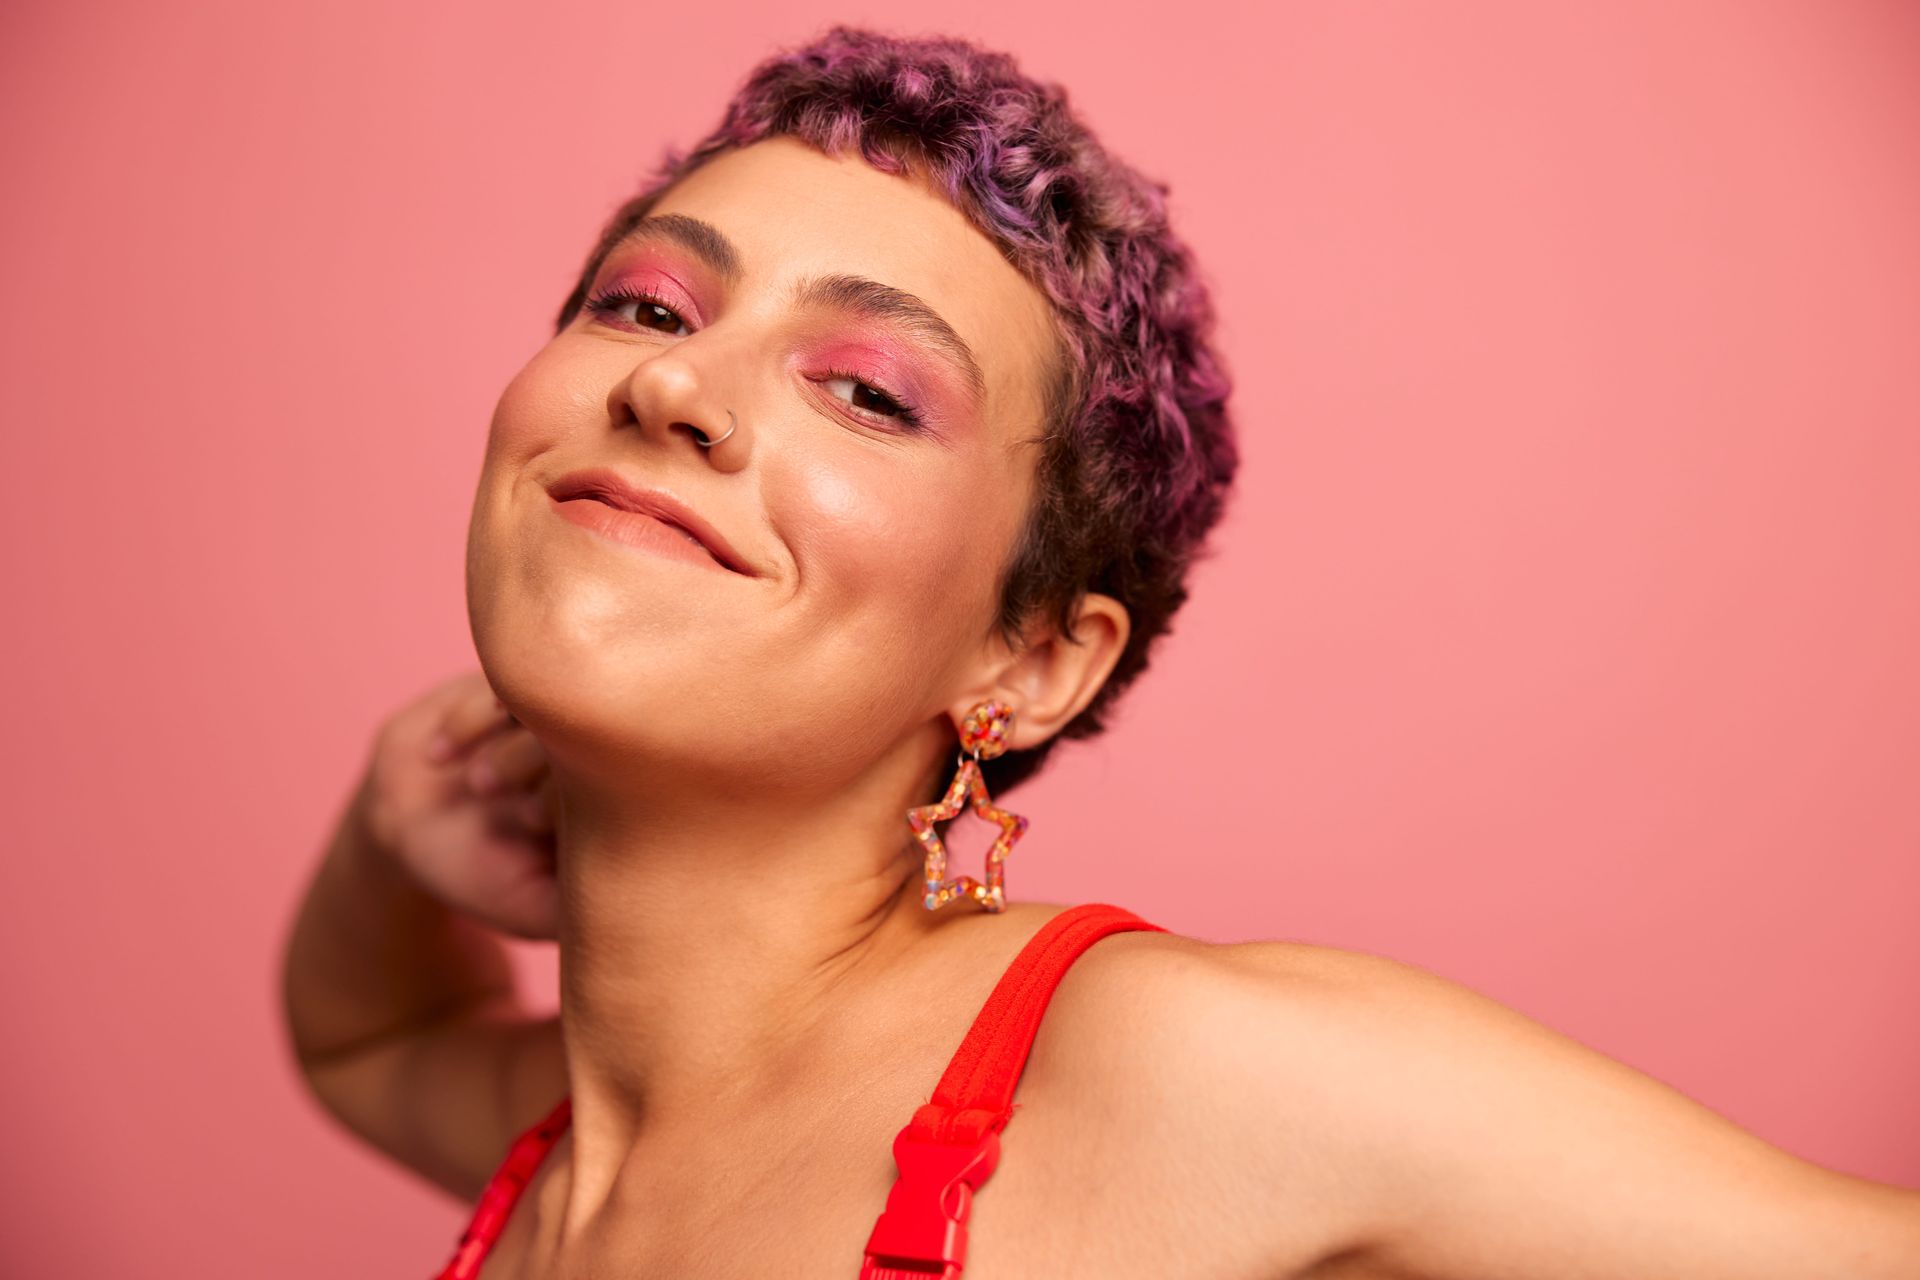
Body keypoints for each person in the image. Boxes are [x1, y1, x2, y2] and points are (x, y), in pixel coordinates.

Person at [280, 23, 1920, 1279]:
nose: (673, 387)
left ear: (1033, 659)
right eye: (646, 305)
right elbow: (362, 1040)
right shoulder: (564, 1141)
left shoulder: (1174, 1084)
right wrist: (388, 828)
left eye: (867, 392)